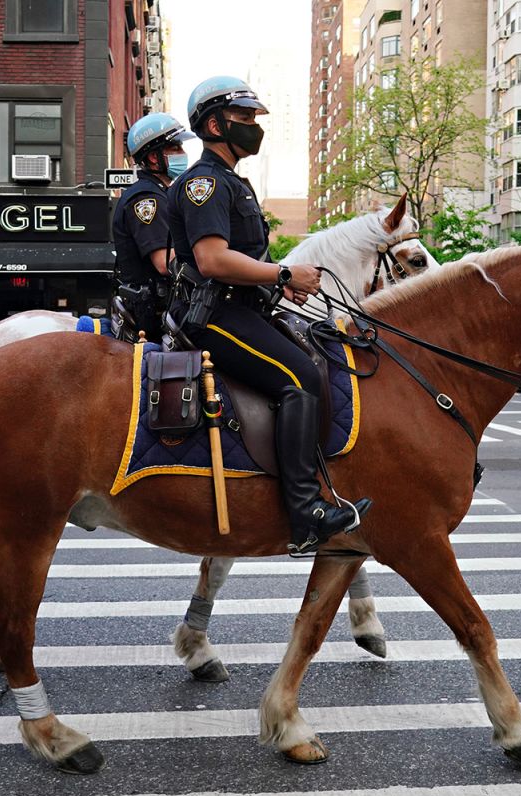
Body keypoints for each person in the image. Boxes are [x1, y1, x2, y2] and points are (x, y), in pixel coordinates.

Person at [165, 76, 370, 556]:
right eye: (245, 119)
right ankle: (304, 511)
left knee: (319, 355)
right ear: (214, 125)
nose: (254, 127)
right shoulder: (204, 183)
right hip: (211, 315)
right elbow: (213, 260)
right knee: (298, 379)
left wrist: (274, 284)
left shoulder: (231, 181)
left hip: (239, 306)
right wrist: (281, 275)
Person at [111, 113, 195, 342]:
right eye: (175, 148)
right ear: (154, 158)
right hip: (153, 320)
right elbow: (165, 263)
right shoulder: (147, 198)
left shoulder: (161, 193)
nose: (183, 154)